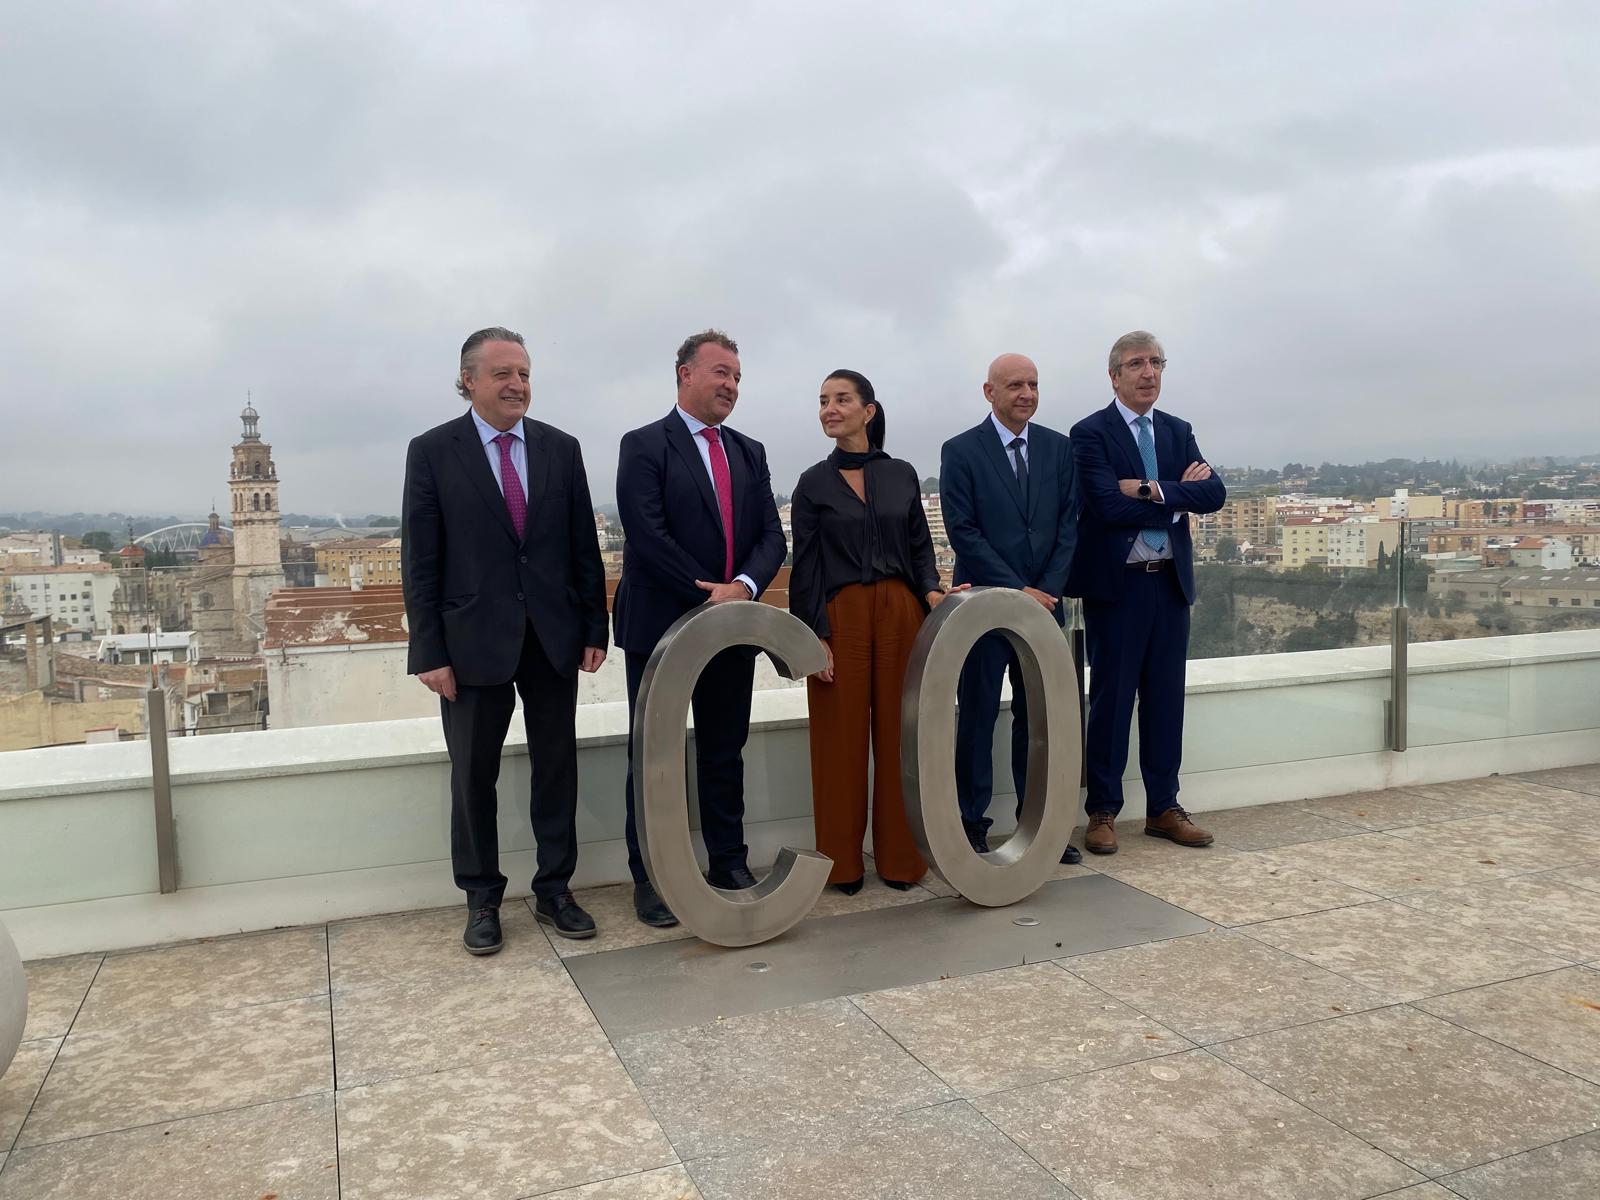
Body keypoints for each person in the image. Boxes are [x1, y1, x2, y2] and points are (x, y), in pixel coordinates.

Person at [401, 326, 609, 953]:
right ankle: (483, 899)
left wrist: (594, 627)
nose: (518, 384)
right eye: (503, 375)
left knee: (556, 770)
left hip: (552, 638)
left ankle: (555, 890)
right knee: (474, 776)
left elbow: (582, 546)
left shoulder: (560, 448)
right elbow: (421, 560)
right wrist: (429, 651)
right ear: (468, 381)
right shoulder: (433, 451)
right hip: (469, 645)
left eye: (524, 373)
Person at [613, 329, 787, 927]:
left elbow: (772, 535)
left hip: (730, 625)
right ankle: (653, 877)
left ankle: (728, 862)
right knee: (653, 757)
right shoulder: (643, 445)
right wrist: (706, 590)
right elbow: (646, 533)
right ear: (685, 373)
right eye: (720, 372)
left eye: (737, 376)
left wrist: (742, 588)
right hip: (661, 627)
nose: (731, 385)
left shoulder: (750, 451)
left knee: (723, 750)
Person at [790, 370, 965, 894]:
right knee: (837, 742)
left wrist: (932, 591)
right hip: (838, 616)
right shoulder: (811, 483)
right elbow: (806, 566)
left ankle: (902, 860)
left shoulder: (902, 474)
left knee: (900, 737)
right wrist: (812, 636)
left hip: (900, 613)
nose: (829, 409)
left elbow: (919, 549)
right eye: (823, 401)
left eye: (842, 399)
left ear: (869, 410)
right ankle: (841, 864)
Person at [1066, 331, 1226, 854]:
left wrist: (1149, 489)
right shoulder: (1089, 433)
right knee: (1112, 701)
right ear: (1114, 376)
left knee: (1165, 700)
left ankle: (1163, 807)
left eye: (1157, 363)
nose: (1149, 373)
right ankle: (1103, 811)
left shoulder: (1178, 431)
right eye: (1136, 364)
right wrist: (1179, 497)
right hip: (1118, 589)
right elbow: (1105, 507)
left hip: (1170, 585)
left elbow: (1215, 494)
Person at [939, 354, 1080, 861]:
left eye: (1033, 384)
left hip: (1045, 607)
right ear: (989, 392)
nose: (1026, 393)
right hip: (983, 609)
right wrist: (1018, 590)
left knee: (1040, 720)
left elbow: (1069, 527)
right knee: (976, 716)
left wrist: (1047, 590)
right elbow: (963, 532)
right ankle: (971, 823)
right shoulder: (960, 451)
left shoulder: (1059, 449)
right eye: (1015, 384)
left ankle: (1038, 825)